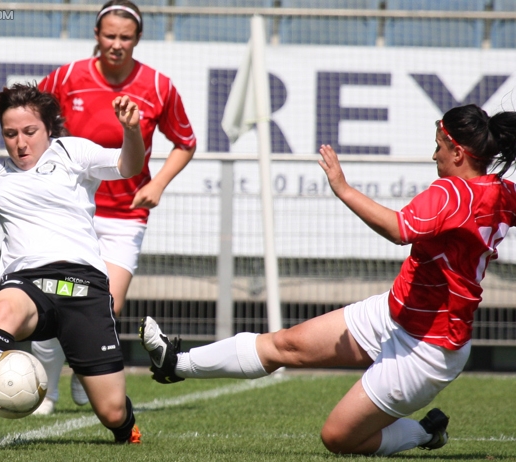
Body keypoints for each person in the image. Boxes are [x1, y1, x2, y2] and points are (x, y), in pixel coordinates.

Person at [140, 104, 516, 456]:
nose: (433, 155)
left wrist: (343, 188)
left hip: (428, 350)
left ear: (457, 151)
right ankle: (175, 362)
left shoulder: (452, 192)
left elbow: (401, 229)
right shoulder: (501, 193)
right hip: (394, 312)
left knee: (337, 438)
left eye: (438, 147)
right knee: (285, 344)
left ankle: (423, 433)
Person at [0, 83, 145, 448]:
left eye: (30, 131)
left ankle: (126, 427)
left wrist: (132, 130)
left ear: (49, 129)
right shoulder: (2, 178)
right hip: (27, 284)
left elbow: (128, 165)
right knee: (5, 307)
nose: (20, 142)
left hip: (82, 287)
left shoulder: (71, 152)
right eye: (10, 134)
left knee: (112, 412)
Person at [31, 0, 197, 415]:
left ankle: (83, 375)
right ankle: (44, 393)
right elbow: (32, 118)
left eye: (125, 37)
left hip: (126, 213)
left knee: (106, 305)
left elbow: (186, 142)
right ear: (97, 35)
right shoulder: (68, 77)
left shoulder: (159, 86)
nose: (117, 44)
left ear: (137, 39)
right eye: (110, 35)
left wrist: (157, 183)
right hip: (70, 211)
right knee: (52, 298)